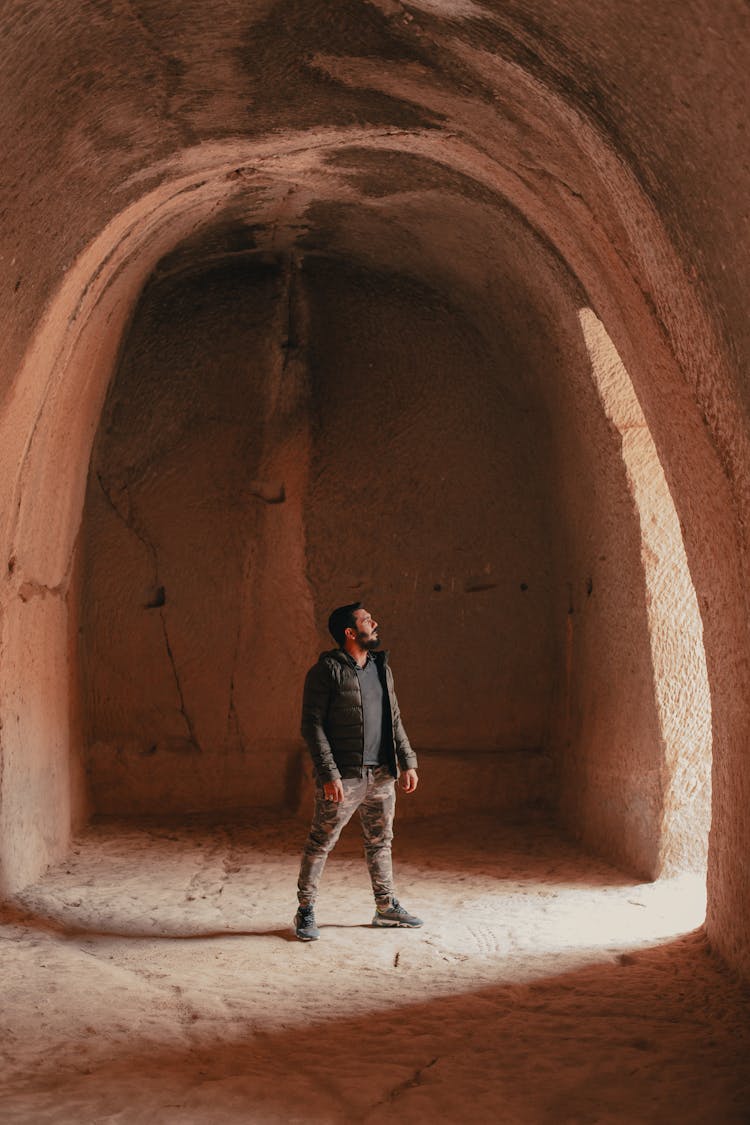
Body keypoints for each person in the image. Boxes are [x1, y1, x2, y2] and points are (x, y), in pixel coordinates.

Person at [293, 602, 422, 941]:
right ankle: (305, 910)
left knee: (381, 843)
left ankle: (385, 908)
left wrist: (407, 761)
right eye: (367, 620)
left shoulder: (382, 668)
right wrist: (328, 774)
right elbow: (312, 726)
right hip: (345, 777)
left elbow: (394, 718)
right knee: (320, 843)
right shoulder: (325, 672)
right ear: (351, 632)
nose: (374, 622)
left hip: (382, 774)